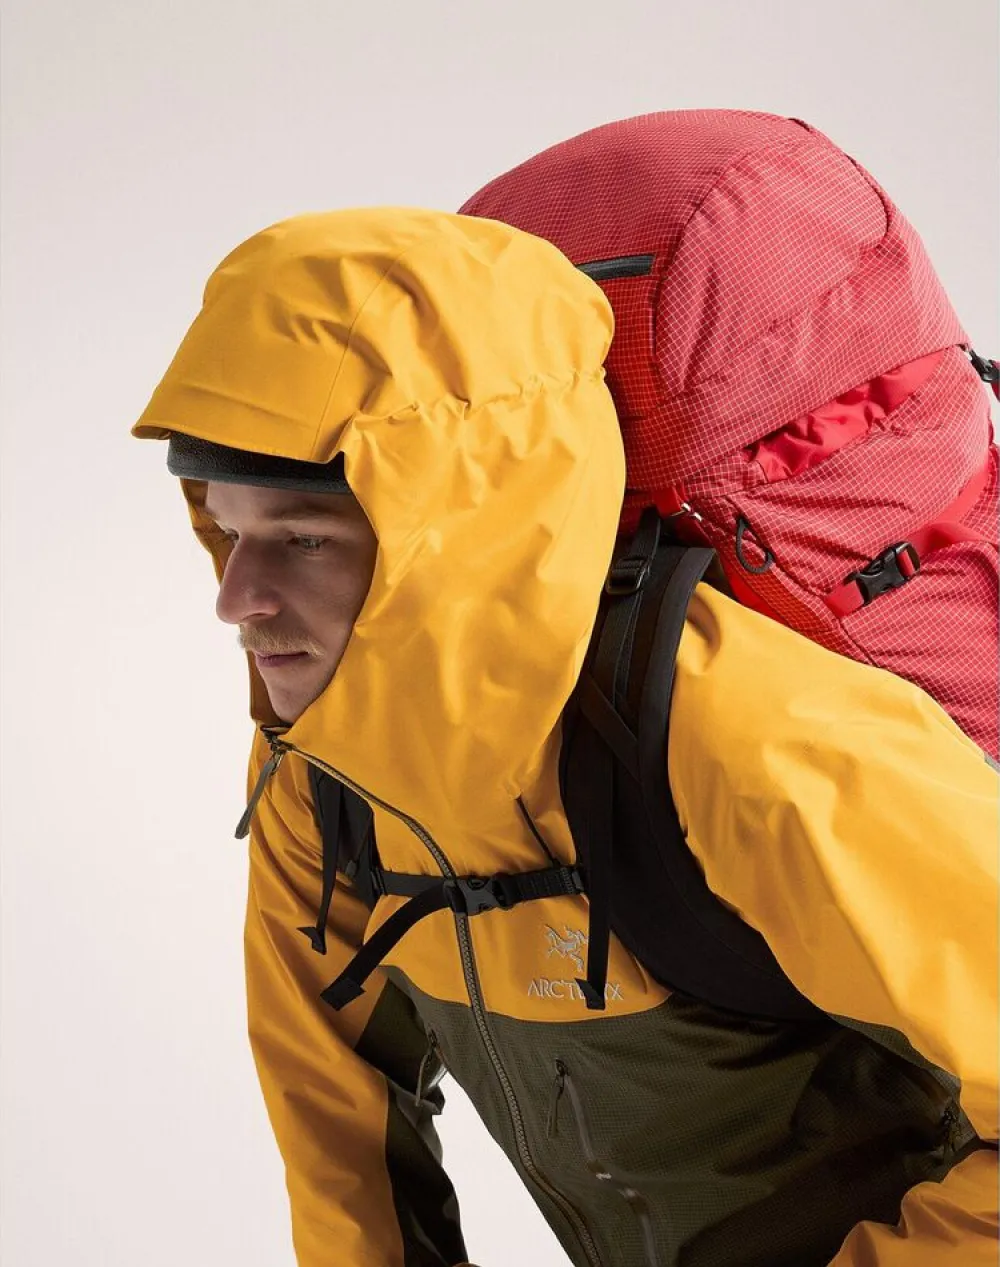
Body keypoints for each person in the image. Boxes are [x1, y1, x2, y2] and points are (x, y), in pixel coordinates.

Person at [132, 205, 997, 1267]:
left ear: (458, 533)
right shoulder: (321, 777)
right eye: (227, 529)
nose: (235, 598)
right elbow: (336, 1139)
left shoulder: (753, 744)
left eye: (303, 539)